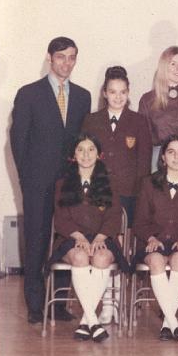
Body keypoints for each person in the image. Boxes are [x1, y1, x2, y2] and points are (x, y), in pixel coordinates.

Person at [11, 36, 91, 324]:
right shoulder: (29, 93)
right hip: (37, 182)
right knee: (36, 238)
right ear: (49, 58)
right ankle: (35, 304)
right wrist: (27, 177)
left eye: (71, 57)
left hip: (69, 183)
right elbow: (17, 140)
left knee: (66, 239)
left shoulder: (83, 96)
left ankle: (59, 303)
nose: (66, 63)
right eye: (61, 57)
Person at [81, 66, 152, 324]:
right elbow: (84, 157)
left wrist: (139, 197)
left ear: (128, 93)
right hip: (97, 196)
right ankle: (105, 304)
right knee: (102, 248)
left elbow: (144, 164)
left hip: (127, 197)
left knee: (120, 248)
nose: (118, 97)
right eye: (113, 92)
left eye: (122, 92)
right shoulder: (91, 120)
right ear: (104, 93)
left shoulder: (139, 121)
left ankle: (118, 301)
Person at [51, 133, 125, 342]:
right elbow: (61, 219)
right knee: (80, 258)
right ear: (73, 155)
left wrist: (100, 237)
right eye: (80, 149)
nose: (86, 154)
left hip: (103, 237)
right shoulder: (62, 183)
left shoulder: (110, 181)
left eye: (91, 149)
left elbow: (114, 216)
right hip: (71, 238)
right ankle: (94, 322)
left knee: (101, 258)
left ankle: (86, 321)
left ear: (99, 154)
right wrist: (79, 237)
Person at [133, 135, 178, 341]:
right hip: (154, 242)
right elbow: (139, 222)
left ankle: (168, 323)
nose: (176, 156)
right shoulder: (149, 183)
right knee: (156, 260)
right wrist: (150, 238)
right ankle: (172, 322)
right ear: (163, 157)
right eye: (171, 152)